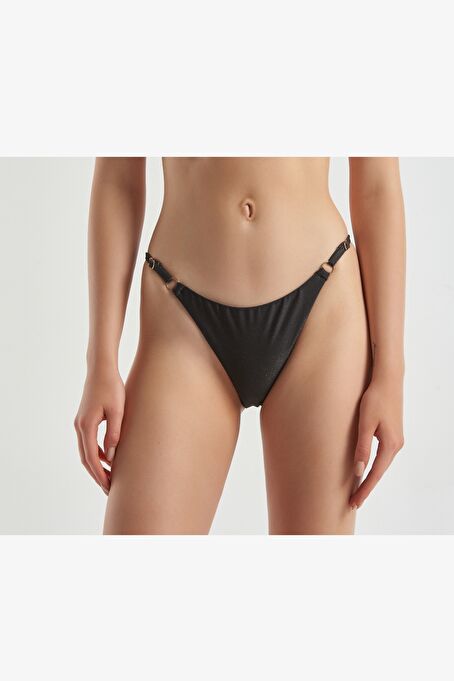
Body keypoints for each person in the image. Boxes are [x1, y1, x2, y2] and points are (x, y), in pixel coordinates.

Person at [74, 157, 405, 534]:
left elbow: (377, 187)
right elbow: (118, 180)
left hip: (322, 309)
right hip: (182, 319)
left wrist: (390, 374)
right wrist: (100, 361)